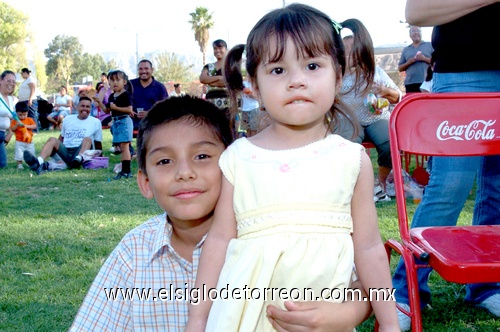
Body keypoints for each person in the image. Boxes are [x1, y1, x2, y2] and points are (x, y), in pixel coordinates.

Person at [69, 95, 371, 331]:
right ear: (146, 183)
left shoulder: (275, 226)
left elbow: (364, 285)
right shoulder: (134, 252)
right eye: (164, 162)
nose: (185, 173)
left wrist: (346, 312)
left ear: (234, 165)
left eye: (202, 156)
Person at [186, 4, 399, 331]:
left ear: (338, 76)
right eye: (278, 70)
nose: (297, 81)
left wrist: (388, 322)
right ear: (254, 86)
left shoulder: (351, 160)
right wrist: (198, 319)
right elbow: (218, 242)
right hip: (245, 319)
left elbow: (369, 247)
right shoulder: (239, 158)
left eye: (312, 65)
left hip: (327, 319)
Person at [392, 1, 500, 330]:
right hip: (464, 71)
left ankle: (486, 284)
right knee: (450, 184)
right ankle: (405, 290)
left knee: (497, 186)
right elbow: (417, 12)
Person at [338, 19, 402, 201]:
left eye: (354, 48)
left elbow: (398, 97)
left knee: (391, 142)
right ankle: (360, 186)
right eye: (346, 49)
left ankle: (380, 182)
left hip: (376, 118)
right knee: (346, 145)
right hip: (350, 120)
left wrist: (384, 92)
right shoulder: (336, 75)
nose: (350, 52)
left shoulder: (374, 71)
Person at [23, 96, 102, 174]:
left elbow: (97, 143)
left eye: (87, 107)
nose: (85, 108)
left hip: (81, 151)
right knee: (52, 139)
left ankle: (78, 160)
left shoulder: (96, 122)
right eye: (82, 106)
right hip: (66, 150)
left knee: (87, 139)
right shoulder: (68, 119)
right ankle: (38, 162)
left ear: (91, 108)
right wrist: (55, 150)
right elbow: (61, 138)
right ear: (78, 107)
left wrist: (100, 158)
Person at [94, 70, 134, 180]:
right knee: (122, 147)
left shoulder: (125, 95)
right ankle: (124, 170)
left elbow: (129, 110)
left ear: (124, 82)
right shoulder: (112, 96)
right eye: (112, 80)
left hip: (124, 121)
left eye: (118, 80)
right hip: (116, 122)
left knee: (125, 147)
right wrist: (100, 102)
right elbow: (107, 110)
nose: (114, 83)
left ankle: (127, 171)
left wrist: (116, 108)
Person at [131, 59, 168, 128]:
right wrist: (128, 111)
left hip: (152, 124)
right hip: (131, 123)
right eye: (140, 69)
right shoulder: (130, 85)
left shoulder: (160, 87)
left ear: (152, 70)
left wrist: (150, 114)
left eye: (146, 68)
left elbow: (165, 109)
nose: (143, 71)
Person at [398, 26, 433, 94]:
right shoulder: (406, 49)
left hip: (427, 83)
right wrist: (409, 62)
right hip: (410, 84)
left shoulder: (429, 45)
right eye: (413, 31)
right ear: (410, 35)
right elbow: (400, 68)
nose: (416, 33)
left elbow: (437, 62)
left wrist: (424, 59)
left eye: (418, 31)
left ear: (421, 33)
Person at [199, 39, 230, 113]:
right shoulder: (208, 66)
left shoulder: (230, 66)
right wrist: (219, 77)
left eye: (220, 48)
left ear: (226, 49)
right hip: (211, 105)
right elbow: (202, 79)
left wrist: (210, 81)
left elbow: (228, 82)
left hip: (228, 106)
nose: (217, 50)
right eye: (215, 48)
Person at [11, 101, 37, 169]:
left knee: (31, 152)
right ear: (16, 113)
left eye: (24, 114)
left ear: (27, 113)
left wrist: (27, 126)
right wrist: (16, 125)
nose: (22, 117)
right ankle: (19, 165)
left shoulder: (29, 120)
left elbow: (34, 126)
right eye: (20, 115)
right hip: (19, 141)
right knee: (19, 153)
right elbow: (12, 129)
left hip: (29, 141)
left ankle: (30, 163)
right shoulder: (15, 121)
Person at [0, 70, 17, 168]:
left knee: (2, 165)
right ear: (1, 80)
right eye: (8, 80)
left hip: (2, 135)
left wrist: (10, 134)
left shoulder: (11, 99)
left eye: (13, 82)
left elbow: (13, 119)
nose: (11, 84)